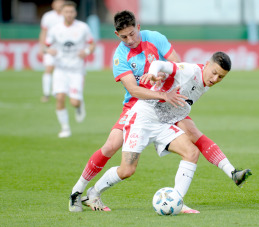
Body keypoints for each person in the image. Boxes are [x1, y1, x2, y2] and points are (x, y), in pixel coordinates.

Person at [68, 10, 246, 213]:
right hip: (139, 106)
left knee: (192, 145)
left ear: (138, 27)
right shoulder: (120, 57)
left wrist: (168, 80)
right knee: (113, 150)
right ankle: (79, 190)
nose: (130, 40)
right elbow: (134, 90)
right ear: (117, 35)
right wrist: (159, 84)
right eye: (124, 37)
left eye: (132, 34)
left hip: (169, 103)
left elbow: (176, 64)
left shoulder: (156, 39)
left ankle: (183, 198)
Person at [44, 1, 95, 138]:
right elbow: (45, 46)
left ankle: (79, 105)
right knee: (60, 97)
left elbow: (92, 44)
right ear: (62, 13)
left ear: (75, 13)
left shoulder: (83, 27)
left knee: (74, 101)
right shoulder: (55, 29)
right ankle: (65, 128)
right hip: (60, 69)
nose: (69, 14)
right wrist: (49, 50)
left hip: (76, 70)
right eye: (66, 12)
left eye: (71, 12)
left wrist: (86, 51)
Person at [38, 0, 65, 103]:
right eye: (58, 3)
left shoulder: (66, 16)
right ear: (53, 5)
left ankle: (58, 91)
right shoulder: (48, 16)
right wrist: (42, 47)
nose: (59, 5)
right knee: (49, 69)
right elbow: (43, 32)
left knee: (62, 70)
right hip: (49, 47)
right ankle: (46, 94)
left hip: (63, 49)